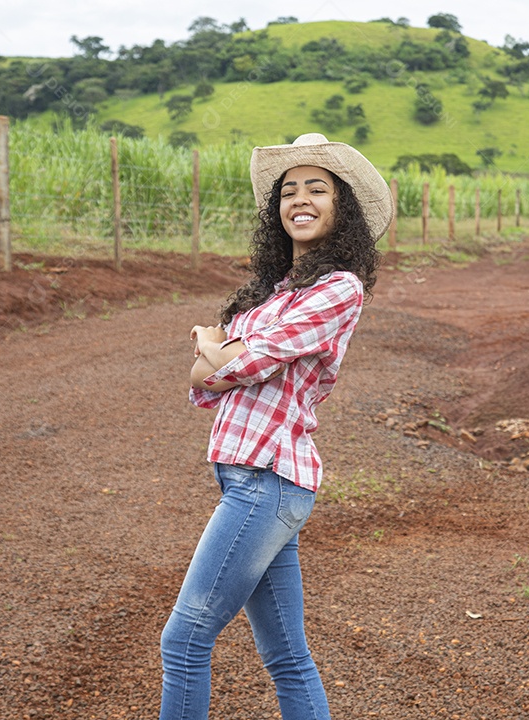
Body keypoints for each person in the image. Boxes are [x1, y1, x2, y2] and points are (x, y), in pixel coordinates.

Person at [158, 133, 394, 720]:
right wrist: (223, 353)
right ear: (276, 211)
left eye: (318, 188)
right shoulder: (269, 296)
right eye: (289, 191)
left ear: (343, 209)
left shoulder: (340, 288)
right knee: (287, 654)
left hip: (268, 481)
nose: (301, 199)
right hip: (250, 480)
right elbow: (204, 379)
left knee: (184, 640)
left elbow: (246, 361)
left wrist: (220, 347)